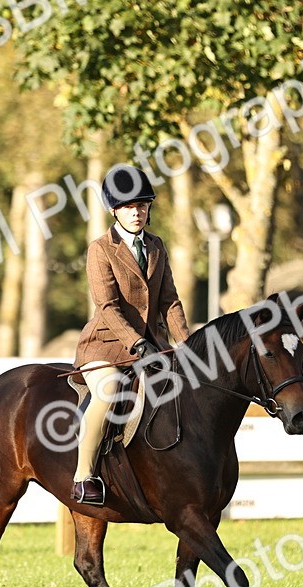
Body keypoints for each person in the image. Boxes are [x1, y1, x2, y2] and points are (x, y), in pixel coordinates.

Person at [70, 164, 190, 506]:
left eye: (142, 205)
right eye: (128, 207)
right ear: (114, 210)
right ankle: (84, 476)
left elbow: (169, 301)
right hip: (106, 348)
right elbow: (107, 305)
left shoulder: (156, 246)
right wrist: (136, 342)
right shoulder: (100, 249)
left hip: (154, 347)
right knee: (108, 392)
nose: (136, 212)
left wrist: (188, 345)